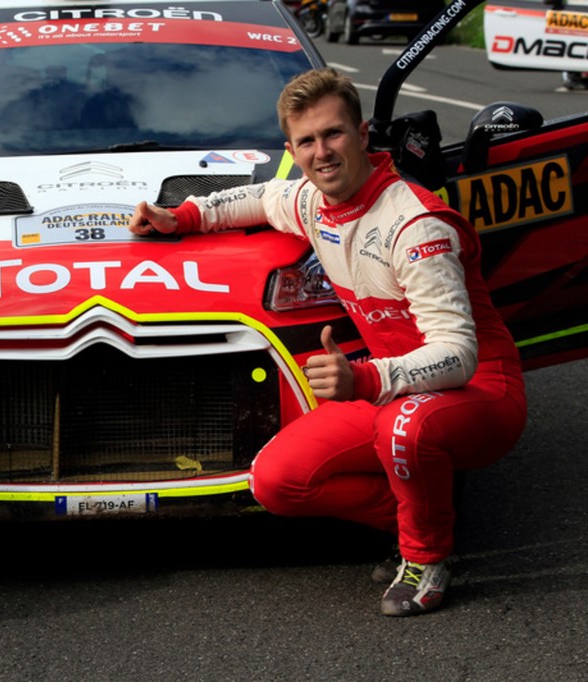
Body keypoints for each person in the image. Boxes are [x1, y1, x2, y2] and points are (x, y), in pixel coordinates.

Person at [128, 68, 526, 616]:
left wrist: (364, 377)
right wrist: (181, 216)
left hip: (479, 391)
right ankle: (423, 514)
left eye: (334, 133)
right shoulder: (312, 201)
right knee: (275, 480)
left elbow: (458, 353)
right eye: (307, 141)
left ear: (361, 135)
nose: (323, 152)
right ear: (292, 150)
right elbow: (262, 197)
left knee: (403, 426)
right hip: (395, 389)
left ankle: (426, 558)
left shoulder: (416, 224)